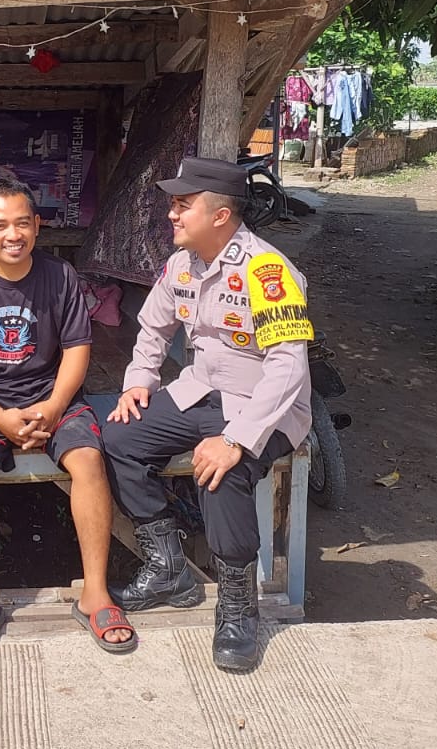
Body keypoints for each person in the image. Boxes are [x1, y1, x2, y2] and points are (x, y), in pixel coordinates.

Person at [102, 156, 313, 673]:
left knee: (220, 468)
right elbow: (153, 328)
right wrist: (138, 382)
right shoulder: (183, 264)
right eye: (173, 205)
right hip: (199, 393)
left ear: (220, 215)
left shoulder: (267, 272)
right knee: (118, 438)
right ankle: (167, 565)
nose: (171, 215)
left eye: (183, 205)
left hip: (264, 407)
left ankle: (239, 606)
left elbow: (287, 367)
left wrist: (236, 439)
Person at [0, 180, 136, 659]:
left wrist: (55, 405)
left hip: (51, 394)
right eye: (0, 225)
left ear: (37, 226)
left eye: (23, 223)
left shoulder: (61, 276)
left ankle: (95, 593)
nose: (13, 234)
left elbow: (77, 348)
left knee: (88, 459)